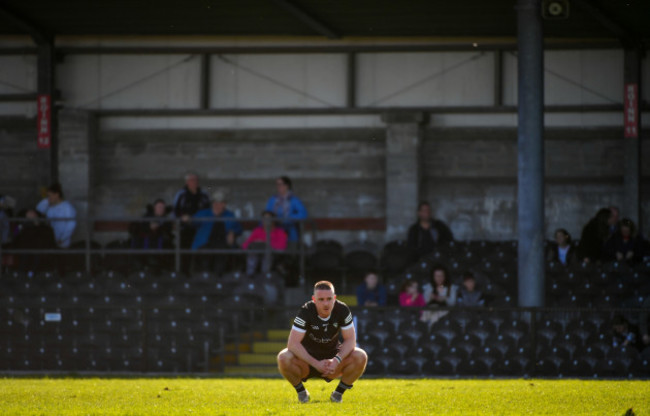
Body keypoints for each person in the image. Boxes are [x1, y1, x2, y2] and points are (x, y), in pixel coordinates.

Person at [277, 281, 367, 404]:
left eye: (329, 299)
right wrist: (315, 363)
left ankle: (337, 395)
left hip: (332, 363)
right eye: (321, 299)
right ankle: (302, 393)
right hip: (307, 361)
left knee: (360, 356)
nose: (326, 303)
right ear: (314, 299)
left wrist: (336, 360)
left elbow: (350, 340)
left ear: (334, 298)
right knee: (283, 357)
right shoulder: (306, 311)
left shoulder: (342, 309)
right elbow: (293, 344)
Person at [191, 190, 242, 275]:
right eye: (215, 203)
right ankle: (206, 278)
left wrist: (232, 232)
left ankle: (219, 279)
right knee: (205, 255)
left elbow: (238, 228)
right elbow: (193, 221)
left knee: (223, 254)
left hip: (223, 244)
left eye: (221, 203)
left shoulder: (229, 215)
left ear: (224, 205)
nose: (217, 205)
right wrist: (188, 219)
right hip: (205, 243)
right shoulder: (204, 213)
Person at [173, 172, 210, 272]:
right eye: (192, 180)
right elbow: (176, 211)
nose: (194, 182)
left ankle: (200, 273)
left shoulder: (204, 194)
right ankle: (184, 273)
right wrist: (183, 217)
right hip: (186, 228)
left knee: (201, 251)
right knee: (185, 251)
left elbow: (209, 210)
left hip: (201, 229)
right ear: (187, 182)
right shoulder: (181, 194)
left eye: (196, 180)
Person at [129, 199, 174, 270]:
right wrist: (149, 227)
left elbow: (168, 231)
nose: (161, 209)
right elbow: (138, 227)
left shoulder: (166, 220)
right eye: (159, 207)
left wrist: (158, 228)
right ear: (154, 208)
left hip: (160, 246)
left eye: (162, 208)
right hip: (144, 245)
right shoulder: (147, 217)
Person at [241, 211, 288, 276]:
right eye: (264, 218)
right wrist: (255, 242)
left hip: (271, 253)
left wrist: (266, 243)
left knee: (267, 253)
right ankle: (250, 275)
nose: (266, 221)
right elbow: (245, 245)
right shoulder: (257, 230)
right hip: (256, 252)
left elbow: (282, 246)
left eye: (268, 218)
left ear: (274, 220)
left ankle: (265, 276)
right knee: (252, 252)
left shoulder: (279, 232)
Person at [265, 176, 308, 243]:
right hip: (274, 227)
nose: (278, 186)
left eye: (280, 184)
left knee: (291, 239)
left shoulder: (293, 199)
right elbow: (267, 212)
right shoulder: (272, 199)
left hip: (288, 227)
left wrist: (289, 218)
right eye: (277, 184)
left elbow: (303, 214)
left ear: (287, 186)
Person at [36, 183, 76, 248]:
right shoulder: (49, 207)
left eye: (50, 196)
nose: (48, 198)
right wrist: (47, 201)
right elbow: (38, 210)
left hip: (62, 243)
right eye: (47, 196)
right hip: (51, 241)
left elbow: (71, 225)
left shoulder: (67, 207)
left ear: (57, 195)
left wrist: (62, 239)